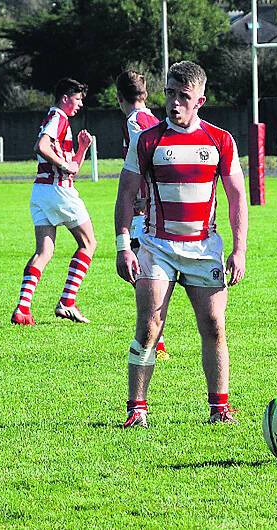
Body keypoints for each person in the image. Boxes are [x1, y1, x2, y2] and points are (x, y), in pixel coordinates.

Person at [114, 61, 248, 428]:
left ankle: (219, 409)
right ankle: (136, 409)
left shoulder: (220, 140)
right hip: (157, 246)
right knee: (149, 326)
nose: (174, 102)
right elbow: (126, 194)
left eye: (183, 96)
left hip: (204, 248)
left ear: (199, 101)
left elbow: (237, 197)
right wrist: (124, 245)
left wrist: (240, 249)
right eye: (170, 94)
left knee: (214, 325)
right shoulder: (148, 140)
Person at [11, 78, 97, 325]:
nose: (80, 104)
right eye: (78, 99)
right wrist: (61, 163)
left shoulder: (57, 119)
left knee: (45, 251)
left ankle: (22, 308)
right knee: (89, 243)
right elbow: (41, 146)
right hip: (59, 191)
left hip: (40, 191)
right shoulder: (58, 117)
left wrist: (81, 149)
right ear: (65, 98)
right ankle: (67, 302)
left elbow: (73, 168)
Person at [116, 70, 168, 360]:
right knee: (147, 274)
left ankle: (155, 344)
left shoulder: (135, 122)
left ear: (119, 97)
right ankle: (156, 341)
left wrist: (141, 196)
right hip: (156, 206)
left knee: (144, 275)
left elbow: (147, 161)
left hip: (145, 210)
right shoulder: (154, 119)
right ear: (146, 94)